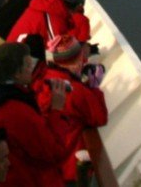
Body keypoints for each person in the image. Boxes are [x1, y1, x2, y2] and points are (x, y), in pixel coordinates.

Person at [0, 42, 76, 187]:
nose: (32, 69)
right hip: (23, 178)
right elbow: (52, 152)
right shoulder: (16, 111)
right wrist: (57, 109)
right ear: (17, 73)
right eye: (28, 65)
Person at [33, 35, 109, 185]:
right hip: (67, 163)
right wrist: (94, 88)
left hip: (46, 162)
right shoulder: (75, 91)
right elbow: (99, 116)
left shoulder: (44, 77)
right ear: (75, 61)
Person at [15, 0, 91, 62]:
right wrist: (80, 53)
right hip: (16, 64)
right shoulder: (55, 22)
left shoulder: (44, 4)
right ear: (75, 6)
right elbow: (55, 57)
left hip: (11, 51)